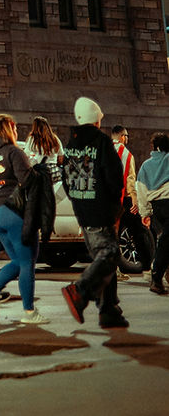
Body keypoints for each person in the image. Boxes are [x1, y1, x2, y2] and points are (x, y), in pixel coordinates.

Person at [60, 96, 128, 329]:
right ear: (96, 120)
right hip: (101, 210)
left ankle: (108, 309)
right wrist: (114, 205)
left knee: (102, 258)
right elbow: (114, 178)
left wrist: (80, 200)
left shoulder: (70, 145)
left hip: (82, 209)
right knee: (109, 254)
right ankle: (79, 291)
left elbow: (66, 182)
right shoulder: (101, 142)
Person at [0, 114, 43, 323]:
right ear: (9, 129)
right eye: (15, 129)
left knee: (17, 260)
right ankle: (29, 312)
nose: (17, 133)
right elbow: (27, 180)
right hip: (13, 211)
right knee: (27, 262)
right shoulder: (13, 152)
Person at [110, 125, 154, 274]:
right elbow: (130, 180)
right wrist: (135, 201)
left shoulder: (102, 150)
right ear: (123, 137)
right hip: (123, 199)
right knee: (138, 232)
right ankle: (147, 268)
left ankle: (113, 269)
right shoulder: (126, 154)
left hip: (104, 201)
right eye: (127, 136)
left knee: (111, 234)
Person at [136, 131, 169, 295]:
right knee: (165, 242)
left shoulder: (146, 166)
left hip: (155, 207)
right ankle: (156, 275)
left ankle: (160, 276)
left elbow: (140, 189)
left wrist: (145, 213)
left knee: (162, 240)